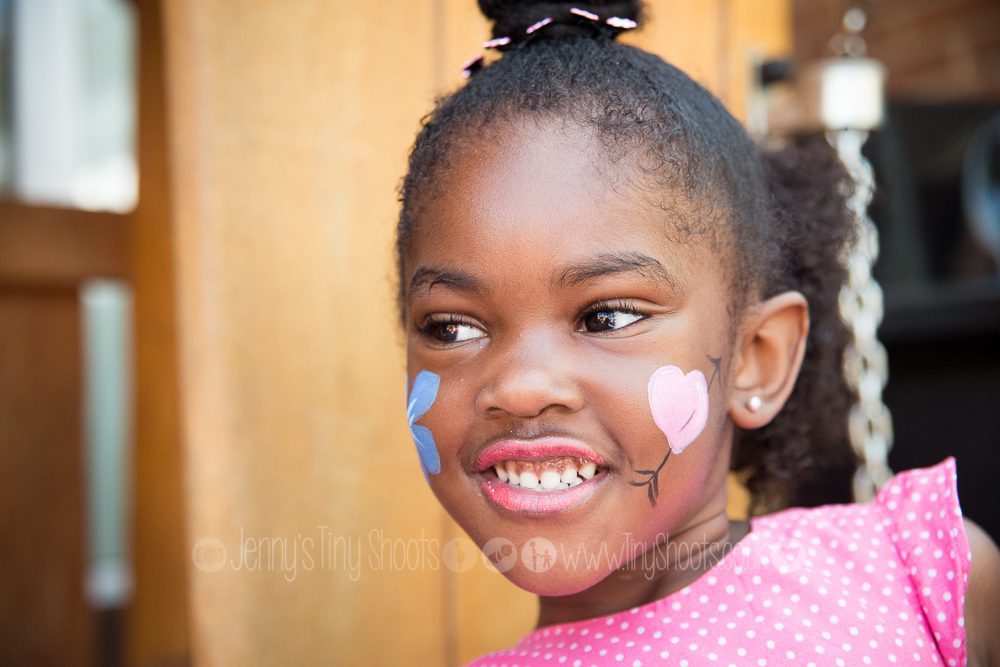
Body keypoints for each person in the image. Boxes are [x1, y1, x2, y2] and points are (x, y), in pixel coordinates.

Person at [395, 1, 1000, 664]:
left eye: (607, 316)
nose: (520, 386)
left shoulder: (920, 573)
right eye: (451, 326)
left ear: (755, 357)